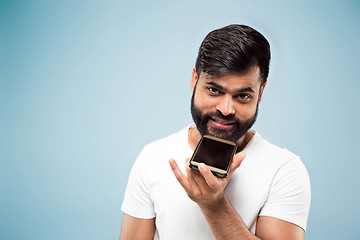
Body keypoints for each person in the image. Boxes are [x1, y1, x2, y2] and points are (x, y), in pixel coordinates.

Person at [120, 24, 311, 240]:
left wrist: (214, 205)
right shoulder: (153, 157)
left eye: (242, 96)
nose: (226, 109)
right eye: (214, 90)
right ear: (194, 79)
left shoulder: (284, 170)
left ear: (261, 92)